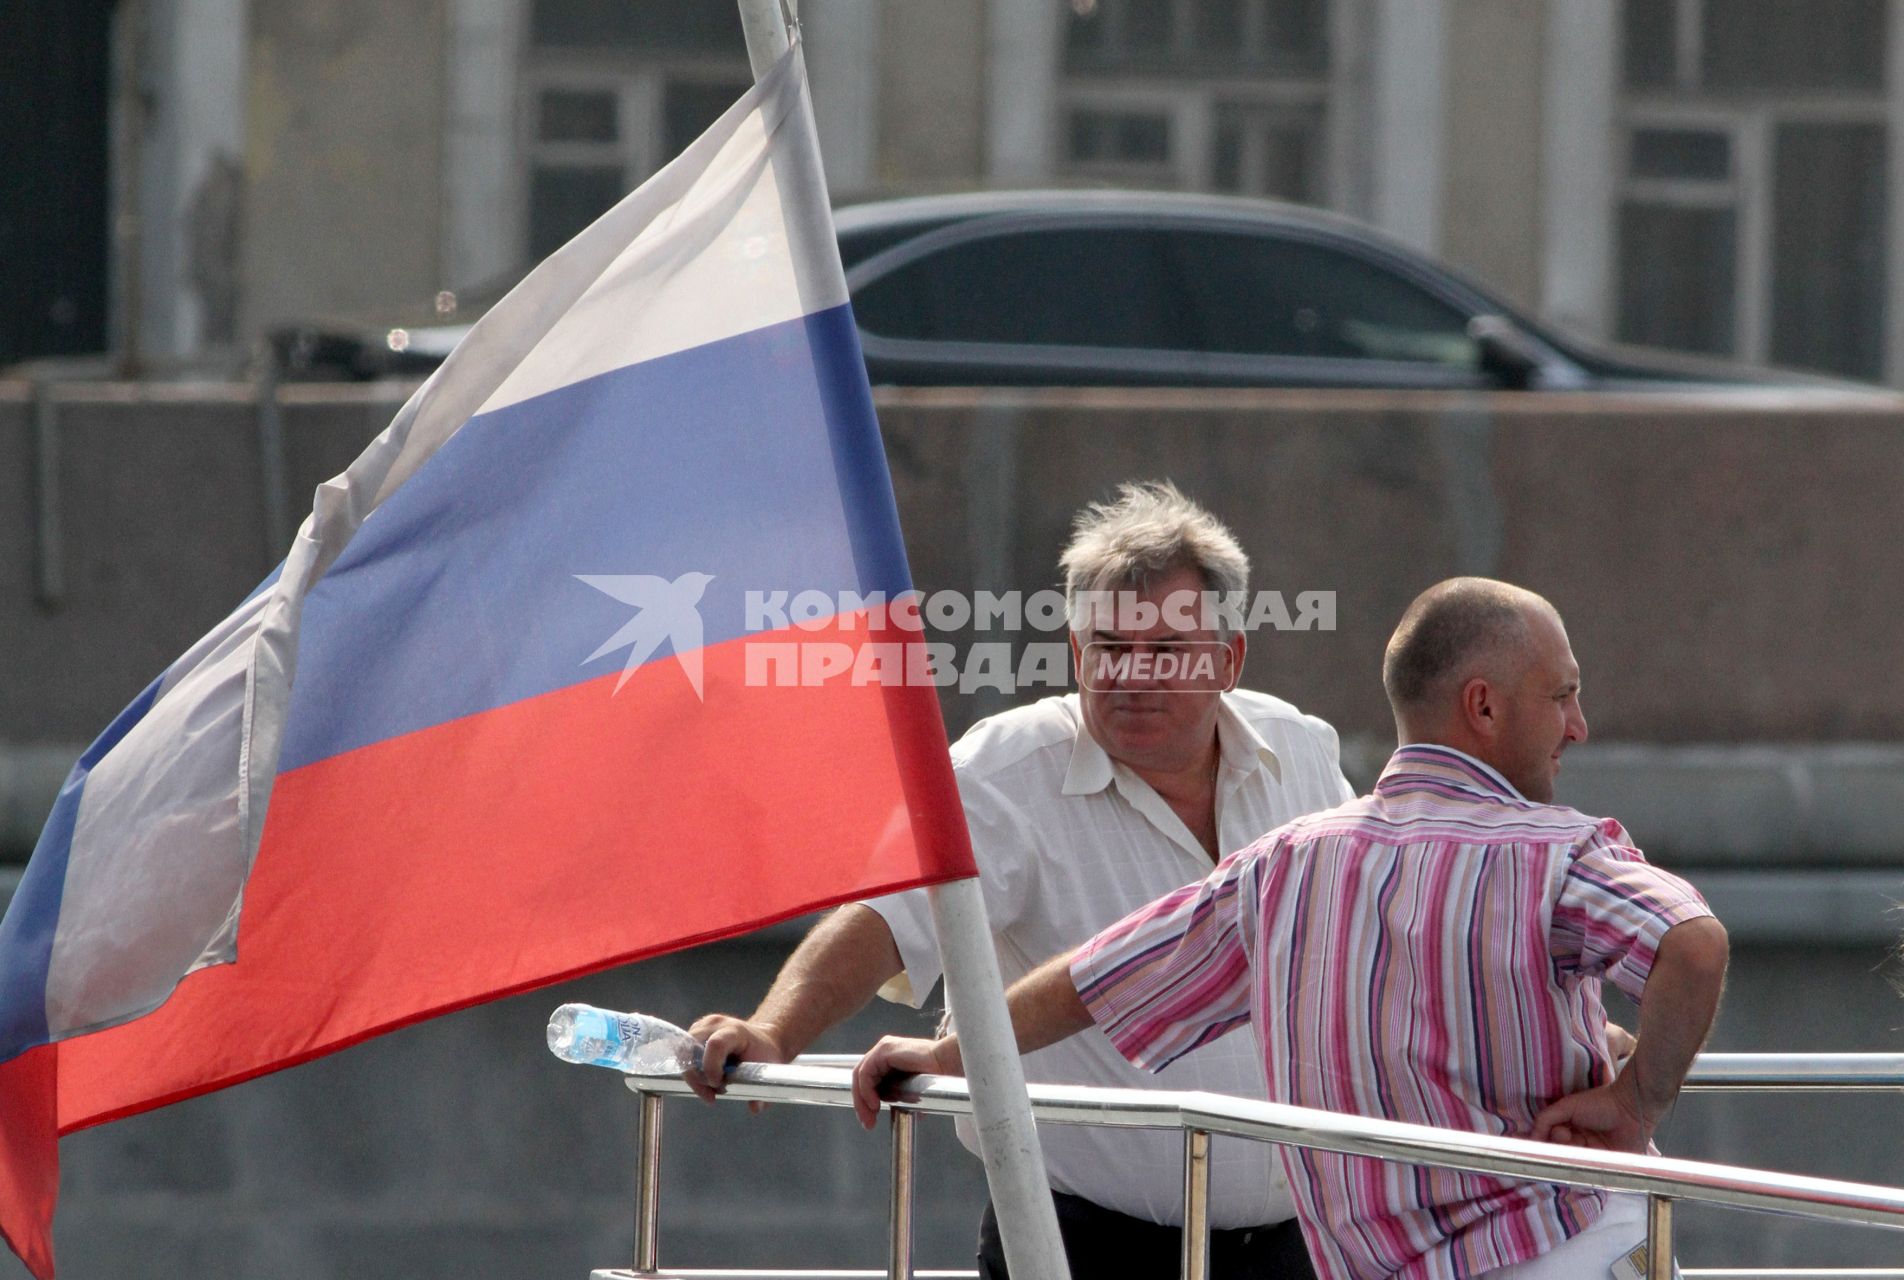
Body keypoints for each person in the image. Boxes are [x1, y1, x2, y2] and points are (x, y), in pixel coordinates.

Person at [853, 577, 1729, 1280]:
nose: (1578, 725)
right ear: (1484, 708)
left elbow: (1099, 980)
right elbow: (1691, 944)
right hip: (1563, 1238)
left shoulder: (1285, 865)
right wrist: (1635, 1101)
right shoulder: (1560, 855)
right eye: (1563, 696)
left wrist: (943, 1058)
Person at [690, 481, 1353, 1279]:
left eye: (1167, 650)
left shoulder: (1302, 750)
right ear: (1075, 655)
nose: (1134, 675)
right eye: (1109, 648)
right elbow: (884, 919)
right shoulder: (1005, 769)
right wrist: (773, 1032)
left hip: (1302, 1243)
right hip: (1083, 1247)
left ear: (1229, 658)